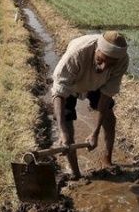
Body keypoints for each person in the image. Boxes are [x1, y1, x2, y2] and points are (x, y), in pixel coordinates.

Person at [52, 31, 129, 178]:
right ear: (96, 49)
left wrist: (95, 132)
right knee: (67, 129)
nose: (104, 67)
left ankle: (107, 161)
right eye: (101, 59)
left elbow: (105, 98)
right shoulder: (77, 54)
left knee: (110, 119)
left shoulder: (122, 61)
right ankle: (76, 173)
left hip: (97, 84)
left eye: (110, 63)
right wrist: (62, 131)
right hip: (73, 83)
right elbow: (59, 93)